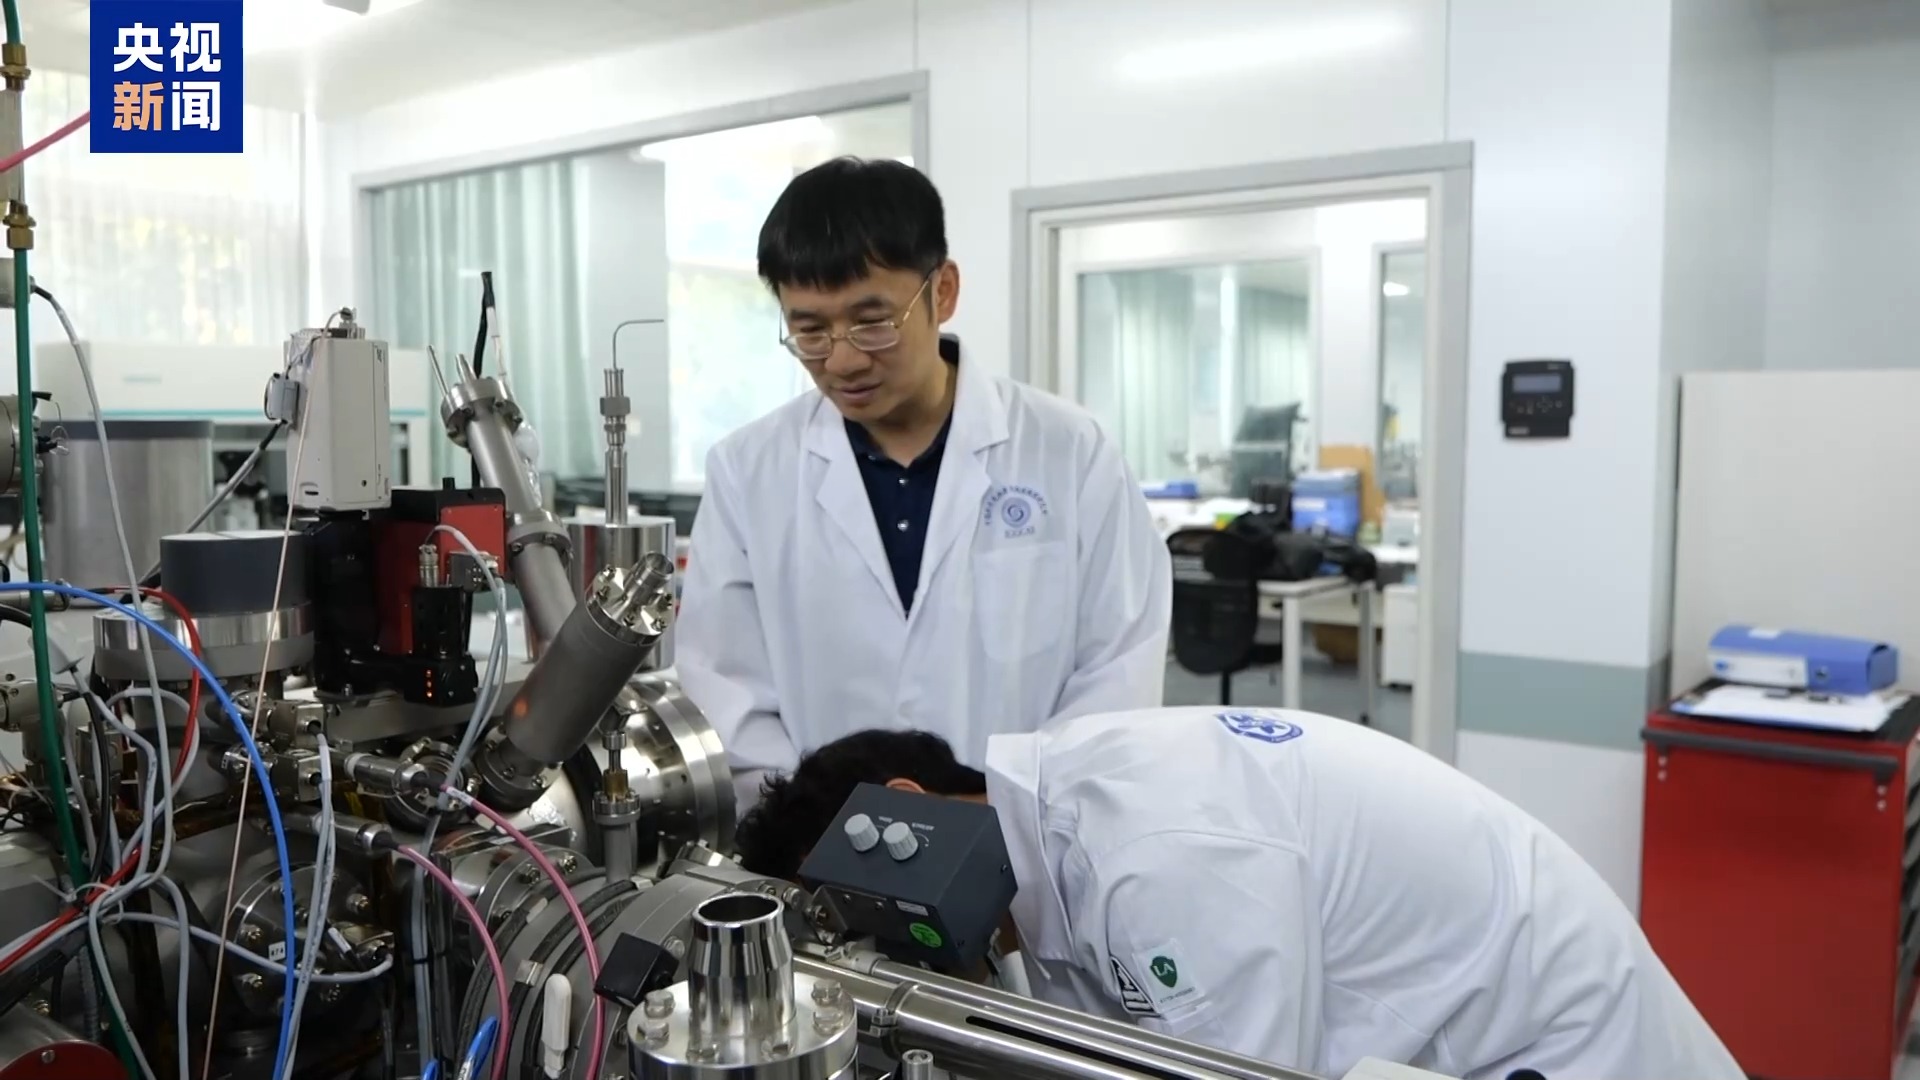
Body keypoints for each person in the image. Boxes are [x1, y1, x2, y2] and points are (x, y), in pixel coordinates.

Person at [733, 706, 1745, 1080]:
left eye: (854, 915)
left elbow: (1235, 1072)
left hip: (1557, 1041)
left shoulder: (1154, 858)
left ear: (903, 815)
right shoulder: (1054, 833)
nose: (878, 945)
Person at [675, 157, 1171, 810]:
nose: (843, 359)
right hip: (819, 843)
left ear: (943, 291)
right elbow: (725, 686)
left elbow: (1120, 671)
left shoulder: (1072, 452)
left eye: (872, 321)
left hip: (1029, 837)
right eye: (810, 330)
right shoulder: (748, 470)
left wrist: (1006, 813)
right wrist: (817, 827)